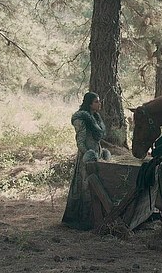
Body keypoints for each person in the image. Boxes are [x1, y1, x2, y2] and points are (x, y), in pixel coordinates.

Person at [62, 92, 109, 230]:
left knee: (97, 186)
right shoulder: (81, 119)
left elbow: (97, 139)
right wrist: (89, 155)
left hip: (97, 155)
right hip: (86, 157)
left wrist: (99, 154)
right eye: (96, 101)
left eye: (99, 101)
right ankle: (83, 220)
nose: (99, 104)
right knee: (86, 186)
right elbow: (80, 142)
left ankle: (97, 218)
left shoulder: (96, 117)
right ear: (89, 103)